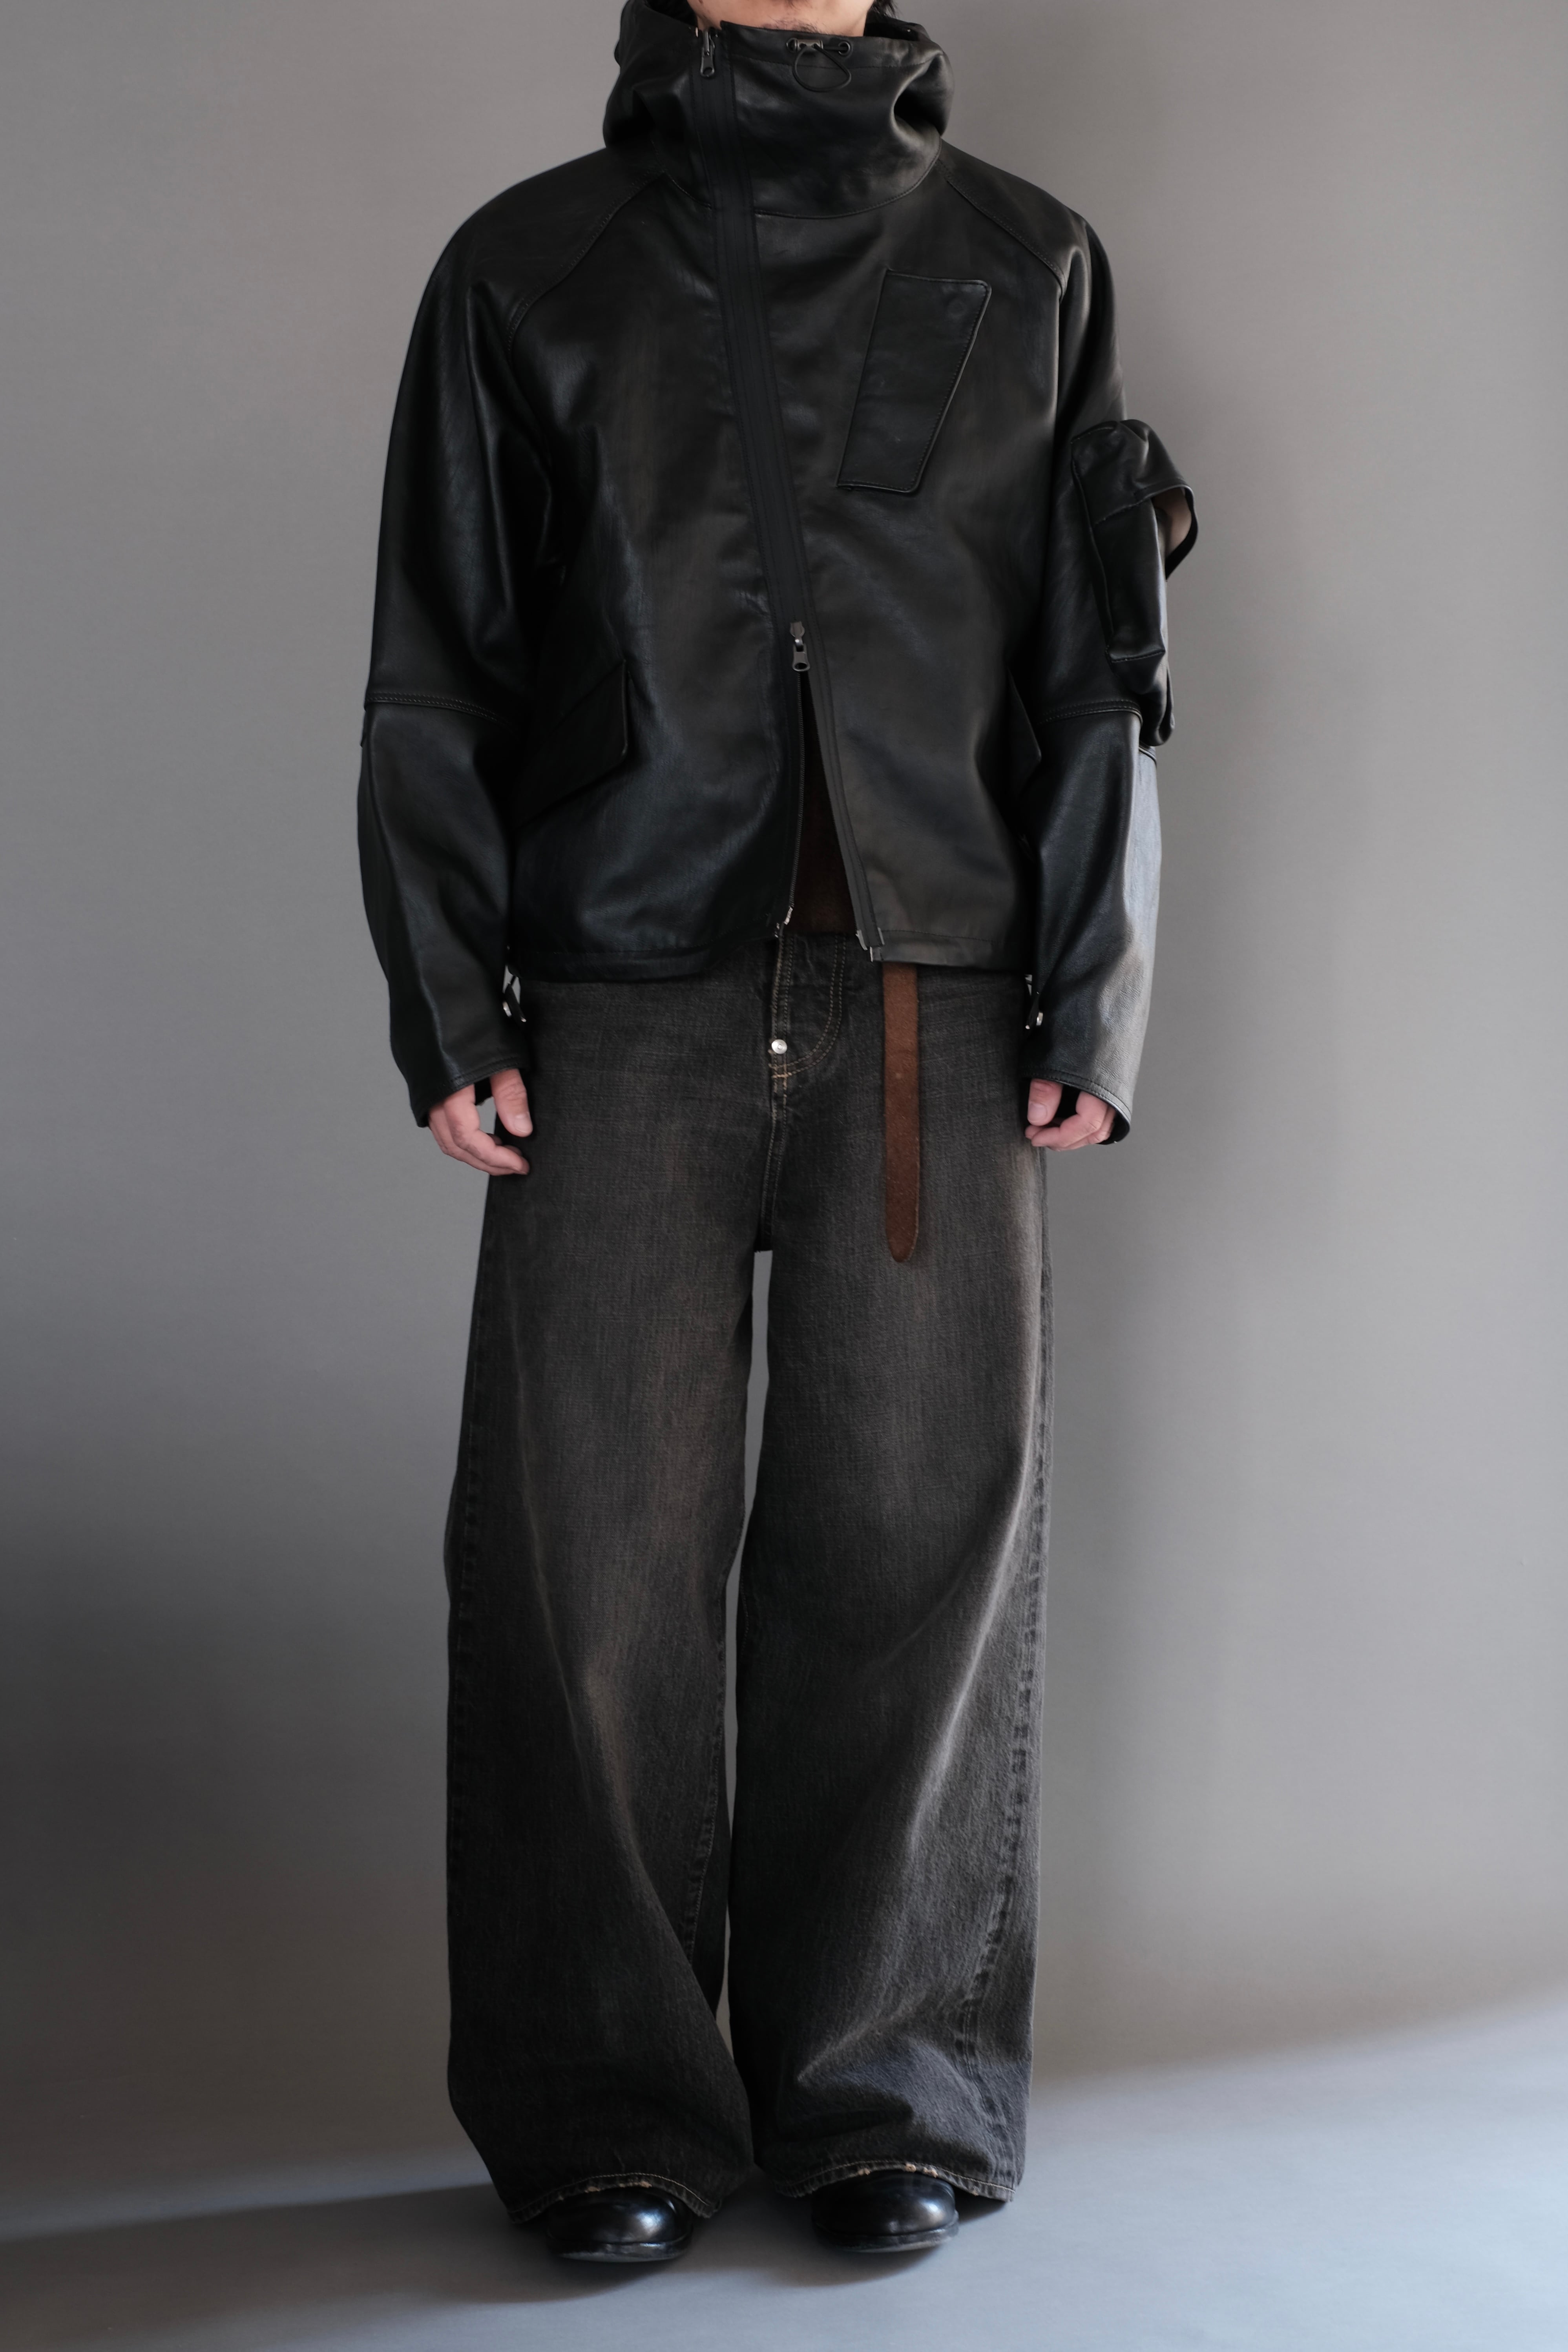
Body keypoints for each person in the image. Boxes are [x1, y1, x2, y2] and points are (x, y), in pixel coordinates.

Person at [358, 0, 1194, 2269]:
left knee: (912, 1546)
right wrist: (447, 996)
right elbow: (438, 658)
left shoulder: (1027, 260)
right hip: (622, 991)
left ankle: (881, 2088)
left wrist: (1096, 981)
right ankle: (606, 2108)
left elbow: (1097, 659)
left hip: (935, 1009)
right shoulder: (529, 266)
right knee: (589, 1567)